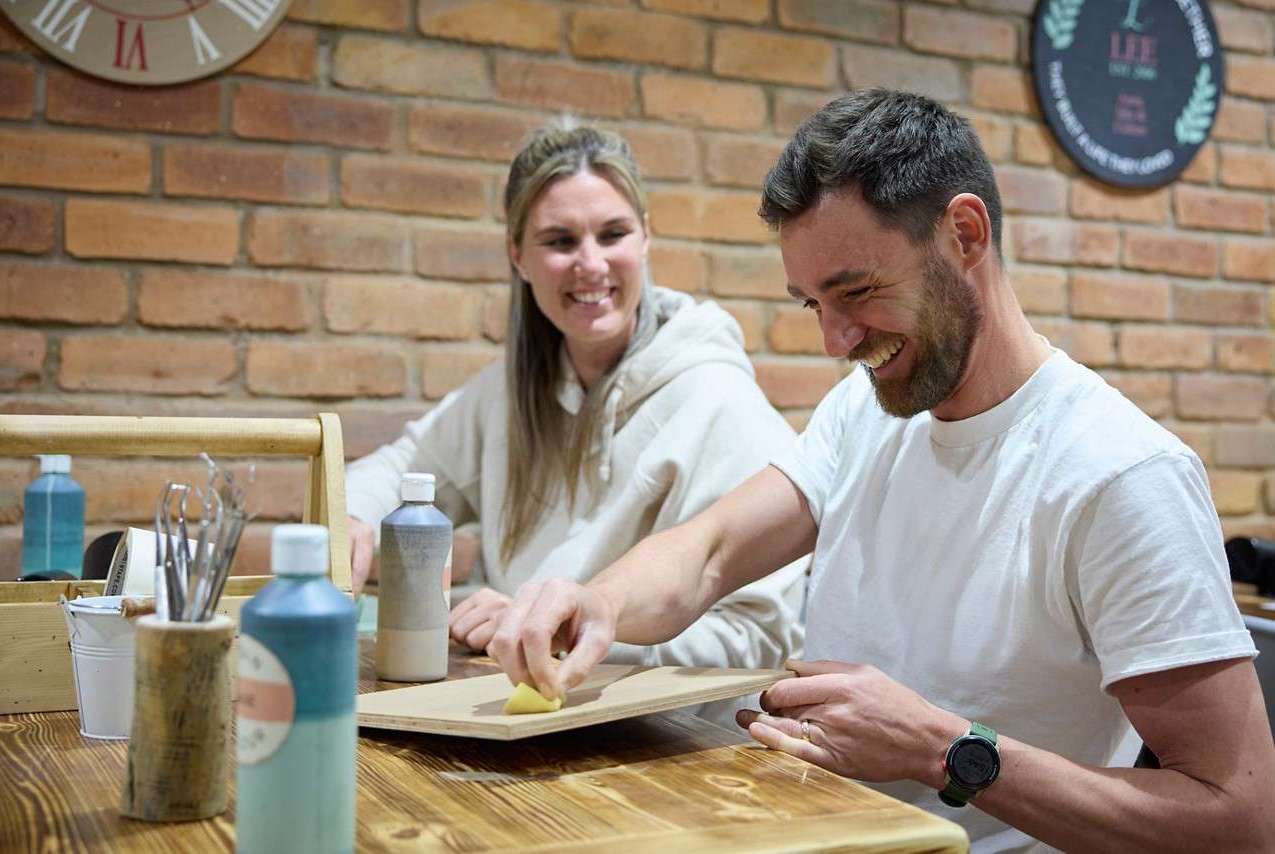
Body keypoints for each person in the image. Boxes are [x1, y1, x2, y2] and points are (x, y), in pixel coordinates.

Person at [485, 91, 1275, 852]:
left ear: (965, 235)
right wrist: (598, 601)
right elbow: (710, 553)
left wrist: (941, 748)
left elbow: (1238, 822)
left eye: (857, 292)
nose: (835, 340)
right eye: (811, 305)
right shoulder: (866, 411)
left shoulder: (1120, 475)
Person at [343, 121, 806, 723]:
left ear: (645, 239)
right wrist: (349, 517)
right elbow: (401, 470)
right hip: (521, 732)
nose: (591, 263)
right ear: (518, 255)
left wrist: (567, 636)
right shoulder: (506, 395)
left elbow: (756, 640)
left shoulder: (721, 402)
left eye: (613, 233)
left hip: (670, 754)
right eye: (560, 241)